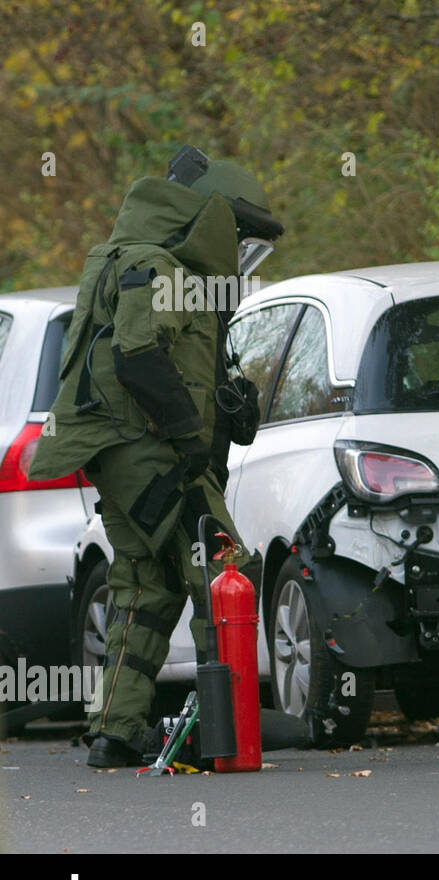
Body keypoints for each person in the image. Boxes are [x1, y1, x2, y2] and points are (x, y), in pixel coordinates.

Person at [28, 146, 284, 767]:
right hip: (146, 452)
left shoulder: (157, 267)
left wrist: (227, 405)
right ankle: (229, 727)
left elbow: (173, 366)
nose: (243, 253)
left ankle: (116, 733)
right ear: (211, 218)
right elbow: (139, 357)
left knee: (147, 584)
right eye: (240, 235)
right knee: (222, 568)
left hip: (125, 454)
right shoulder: (155, 265)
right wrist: (188, 437)